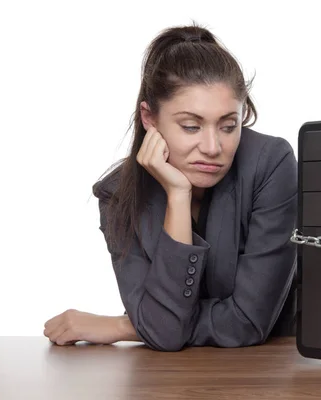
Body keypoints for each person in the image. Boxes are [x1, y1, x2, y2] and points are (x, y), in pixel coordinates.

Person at [43, 23, 298, 351]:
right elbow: (164, 333)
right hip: (164, 378)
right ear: (149, 118)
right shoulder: (117, 194)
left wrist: (124, 325)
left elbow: (247, 322)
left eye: (228, 126)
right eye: (191, 126)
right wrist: (178, 195)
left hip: (275, 369)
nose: (211, 146)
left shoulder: (270, 164)